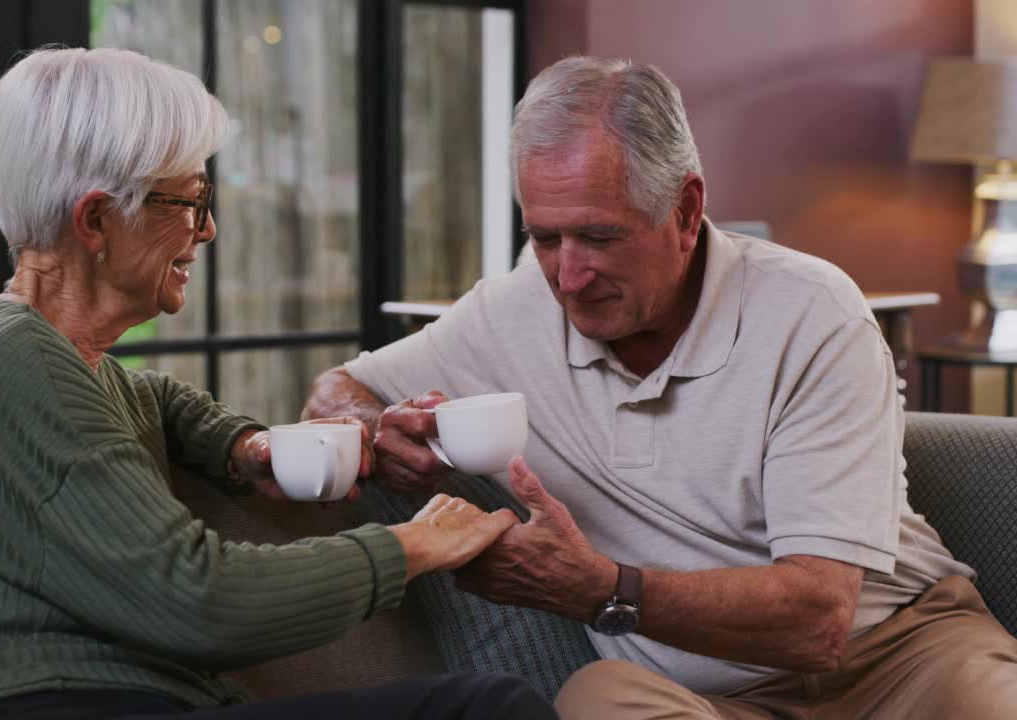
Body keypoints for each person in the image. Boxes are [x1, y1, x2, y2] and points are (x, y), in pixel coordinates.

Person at [303, 55, 1017, 719]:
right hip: (701, 697)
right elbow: (337, 388)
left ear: (684, 209)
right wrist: (378, 432)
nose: (568, 277)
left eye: (600, 237)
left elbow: (819, 621)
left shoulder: (811, 313)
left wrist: (602, 588)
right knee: (596, 697)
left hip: (902, 653)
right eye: (545, 238)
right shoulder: (514, 308)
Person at [0, 47, 559, 720]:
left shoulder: (46, 358)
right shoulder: (15, 363)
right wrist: (414, 544)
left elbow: (153, 401)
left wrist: (248, 449)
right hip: (39, 706)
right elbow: (197, 599)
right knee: (489, 710)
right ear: (95, 221)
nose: (207, 229)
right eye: (191, 200)